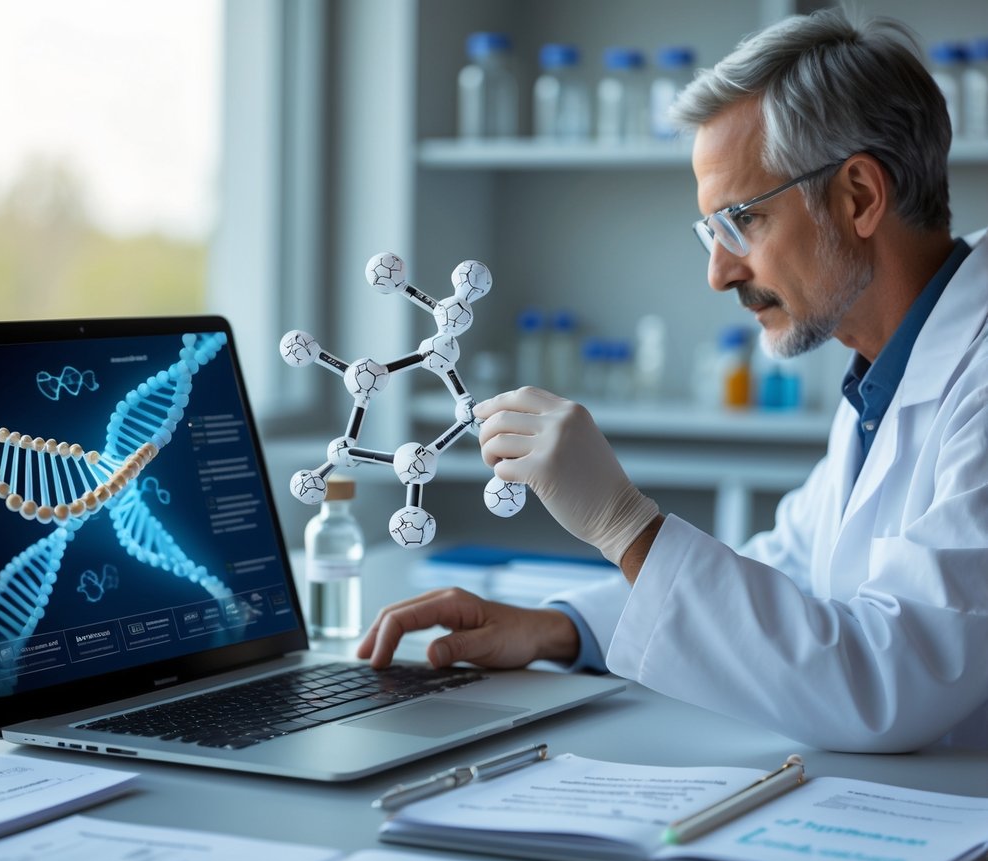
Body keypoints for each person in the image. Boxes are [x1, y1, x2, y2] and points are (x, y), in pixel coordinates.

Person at [357, 8, 988, 753]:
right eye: (709, 231)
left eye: (742, 222)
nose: (718, 272)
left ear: (858, 196)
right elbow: (791, 569)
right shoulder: (887, 372)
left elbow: (886, 684)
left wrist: (623, 523)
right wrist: (557, 628)